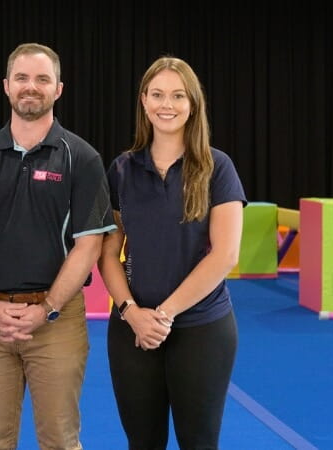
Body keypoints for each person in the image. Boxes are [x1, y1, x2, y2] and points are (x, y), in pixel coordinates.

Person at [0, 42, 116, 450]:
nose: (31, 87)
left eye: (42, 79)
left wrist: (48, 307)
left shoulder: (83, 158)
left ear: (59, 89)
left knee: (59, 440)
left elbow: (88, 246)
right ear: (6, 86)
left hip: (56, 321)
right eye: (22, 78)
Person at [98, 56, 246, 450]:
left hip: (202, 328)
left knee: (198, 442)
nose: (168, 104)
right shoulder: (122, 170)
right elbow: (108, 253)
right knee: (142, 442)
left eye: (178, 95)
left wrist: (163, 316)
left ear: (193, 104)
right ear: (144, 101)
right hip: (132, 328)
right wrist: (132, 312)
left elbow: (225, 255)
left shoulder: (217, 168)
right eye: (158, 94)